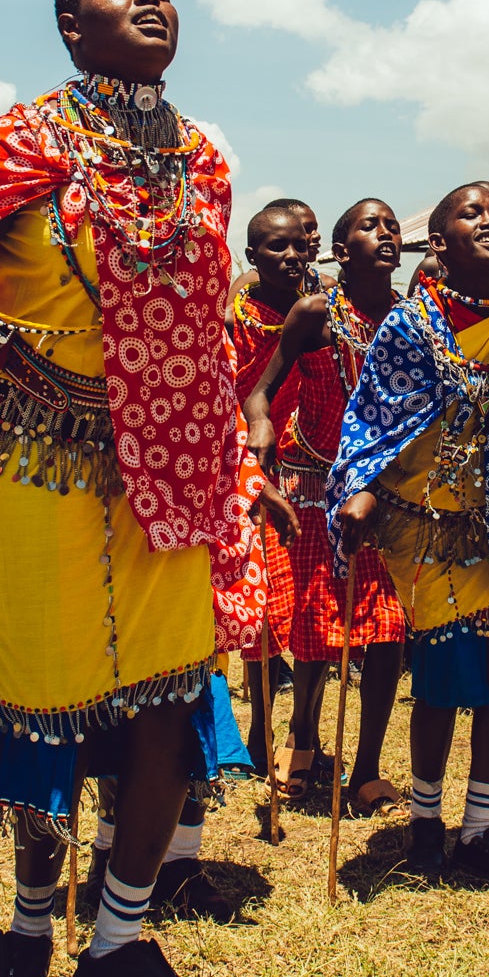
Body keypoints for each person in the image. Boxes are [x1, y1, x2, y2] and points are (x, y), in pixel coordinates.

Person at [0, 0, 246, 977]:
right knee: (50, 704)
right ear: (69, 27)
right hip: (37, 457)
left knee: (169, 692)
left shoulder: (201, 156)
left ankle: (121, 938)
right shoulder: (24, 141)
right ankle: (29, 927)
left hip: (171, 464)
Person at [329, 181, 489, 885]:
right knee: (446, 681)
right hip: (425, 529)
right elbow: (372, 418)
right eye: (471, 213)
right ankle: (426, 821)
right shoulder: (408, 327)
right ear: (442, 243)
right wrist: (359, 490)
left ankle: (480, 827)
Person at [244, 199, 415, 808]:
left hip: (389, 497)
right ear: (340, 253)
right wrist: (260, 425)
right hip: (316, 488)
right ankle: (303, 738)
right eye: (370, 226)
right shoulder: (314, 314)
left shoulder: (413, 319)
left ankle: (366, 767)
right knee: (317, 635)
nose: (386, 234)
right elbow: (260, 393)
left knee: (389, 634)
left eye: (392, 225)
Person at [224, 204, 309, 780]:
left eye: (298, 245)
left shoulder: (323, 313)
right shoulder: (233, 317)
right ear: (253, 257)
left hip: (313, 471)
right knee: (257, 609)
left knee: (303, 606)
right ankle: (258, 729)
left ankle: (302, 737)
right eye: (274, 248)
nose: (290, 256)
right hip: (249, 467)